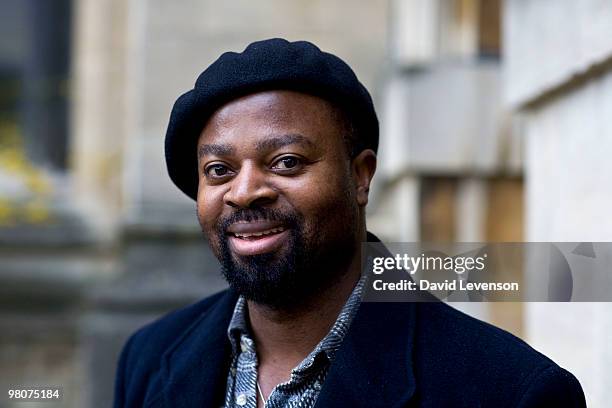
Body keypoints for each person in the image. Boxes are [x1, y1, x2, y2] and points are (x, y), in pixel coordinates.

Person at [113, 38, 586, 408]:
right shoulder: (149, 358)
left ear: (360, 177)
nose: (243, 191)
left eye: (286, 162)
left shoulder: (510, 391)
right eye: (220, 170)